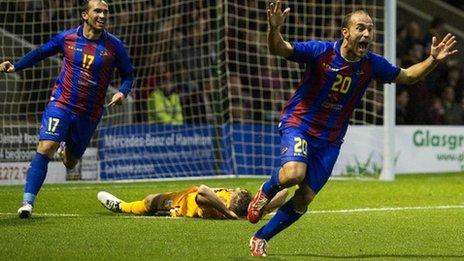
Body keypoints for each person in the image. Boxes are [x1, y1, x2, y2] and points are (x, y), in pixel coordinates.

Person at [247, 1, 458, 257]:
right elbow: (279, 48)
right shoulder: (320, 52)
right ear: (345, 32)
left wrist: (433, 60)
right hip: (299, 124)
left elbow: (409, 76)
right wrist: (274, 29)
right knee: (293, 174)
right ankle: (266, 191)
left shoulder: (371, 64)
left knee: (305, 199)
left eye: (370, 29)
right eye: (361, 28)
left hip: (331, 140)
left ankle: (261, 237)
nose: (367, 34)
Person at [0, 0, 134, 218]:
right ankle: (27, 203)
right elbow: (41, 52)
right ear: (85, 15)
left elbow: (128, 74)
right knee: (46, 146)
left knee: (71, 163)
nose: (102, 15)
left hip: (89, 113)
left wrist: (122, 92)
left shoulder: (114, 46)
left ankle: (66, 149)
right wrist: (16, 65)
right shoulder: (67, 38)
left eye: (105, 12)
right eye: (97, 11)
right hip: (61, 103)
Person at [97, 185, 288, 219]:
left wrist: (226, 211)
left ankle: (122, 207)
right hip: (189, 196)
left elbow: (203, 191)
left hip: (183, 202)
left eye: (233, 194)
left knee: (150, 201)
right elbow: (285, 191)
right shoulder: (249, 210)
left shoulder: (220, 206)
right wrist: (264, 204)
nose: (232, 191)